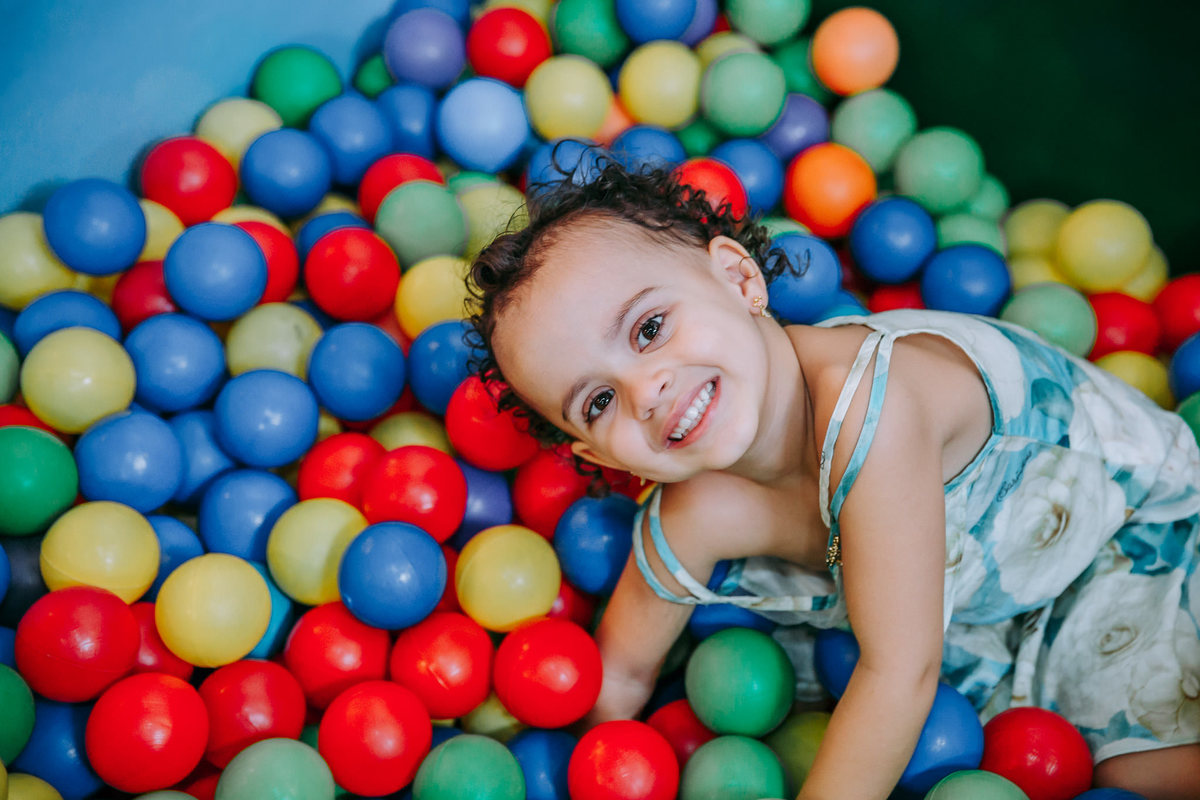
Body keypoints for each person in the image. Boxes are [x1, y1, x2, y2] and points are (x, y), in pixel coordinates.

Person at [467, 156, 1200, 800]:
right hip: (974, 610)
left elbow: (897, 677)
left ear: (738, 277)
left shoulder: (872, 411)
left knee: (1130, 775)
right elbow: (622, 675)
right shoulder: (694, 511)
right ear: (605, 458)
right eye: (598, 403)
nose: (646, 390)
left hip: (1108, 535)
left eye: (649, 328)